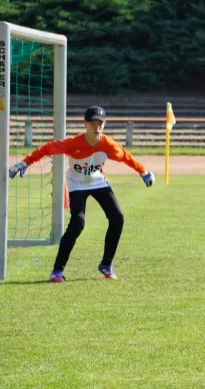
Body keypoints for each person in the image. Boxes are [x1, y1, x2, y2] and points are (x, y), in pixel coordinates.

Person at [9, 106, 155, 282]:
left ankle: (106, 264)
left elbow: (125, 156)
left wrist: (143, 172)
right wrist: (26, 162)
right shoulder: (73, 143)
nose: (96, 126)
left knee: (117, 218)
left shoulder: (108, 144)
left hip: (97, 181)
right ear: (85, 123)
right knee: (78, 223)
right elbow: (48, 148)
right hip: (77, 184)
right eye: (92, 123)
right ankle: (57, 270)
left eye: (100, 123)